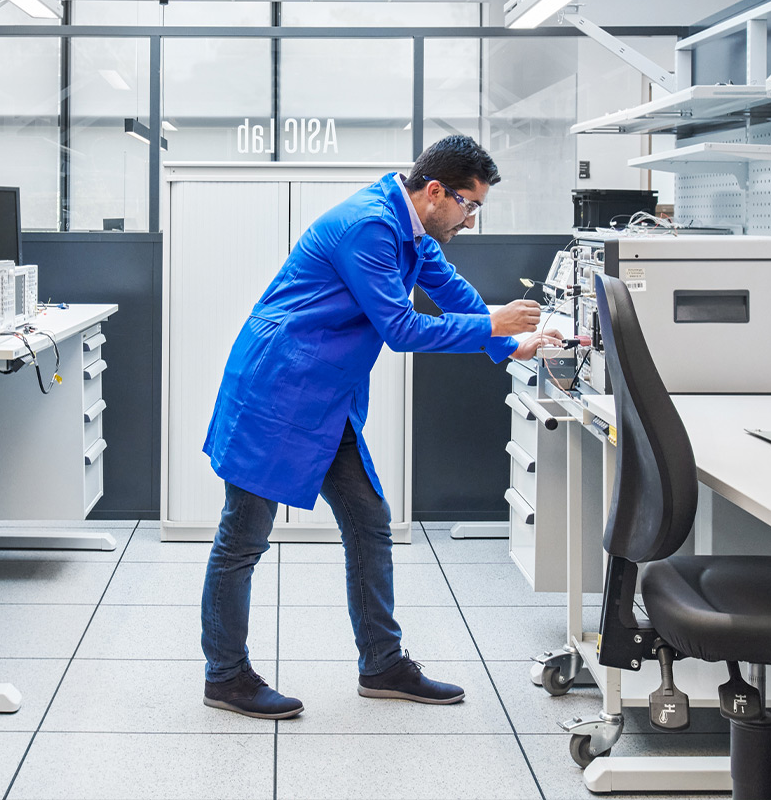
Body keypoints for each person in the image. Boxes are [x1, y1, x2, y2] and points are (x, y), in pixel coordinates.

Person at [199, 135, 564, 719]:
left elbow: (453, 295)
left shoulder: (414, 228)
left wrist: (516, 344)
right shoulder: (367, 225)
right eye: (470, 205)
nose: (470, 221)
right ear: (436, 191)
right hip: (278, 391)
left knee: (369, 521)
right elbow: (401, 328)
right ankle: (226, 676)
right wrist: (496, 325)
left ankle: (383, 664)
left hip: (323, 397)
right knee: (243, 538)